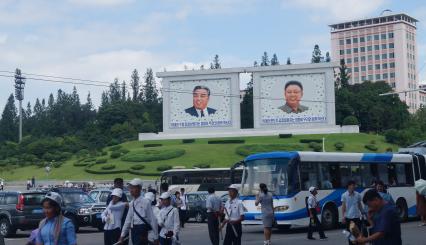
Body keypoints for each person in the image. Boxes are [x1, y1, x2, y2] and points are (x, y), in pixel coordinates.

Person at [119, 178, 158, 245]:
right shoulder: (131, 203)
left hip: (142, 230)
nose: (131, 190)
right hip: (134, 230)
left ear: (139, 188)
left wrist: (156, 237)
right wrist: (122, 235)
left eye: (133, 188)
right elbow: (128, 220)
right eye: (130, 188)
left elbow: (152, 220)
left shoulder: (146, 202)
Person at [341, 180, 363, 244]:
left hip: (356, 217)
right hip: (349, 218)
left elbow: (359, 205)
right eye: (352, 185)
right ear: (349, 186)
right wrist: (343, 217)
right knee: (350, 235)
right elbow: (343, 207)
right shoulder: (344, 195)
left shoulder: (358, 194)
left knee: (358, 234)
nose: (354, 186)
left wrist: (362, 213)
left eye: (354, 185)